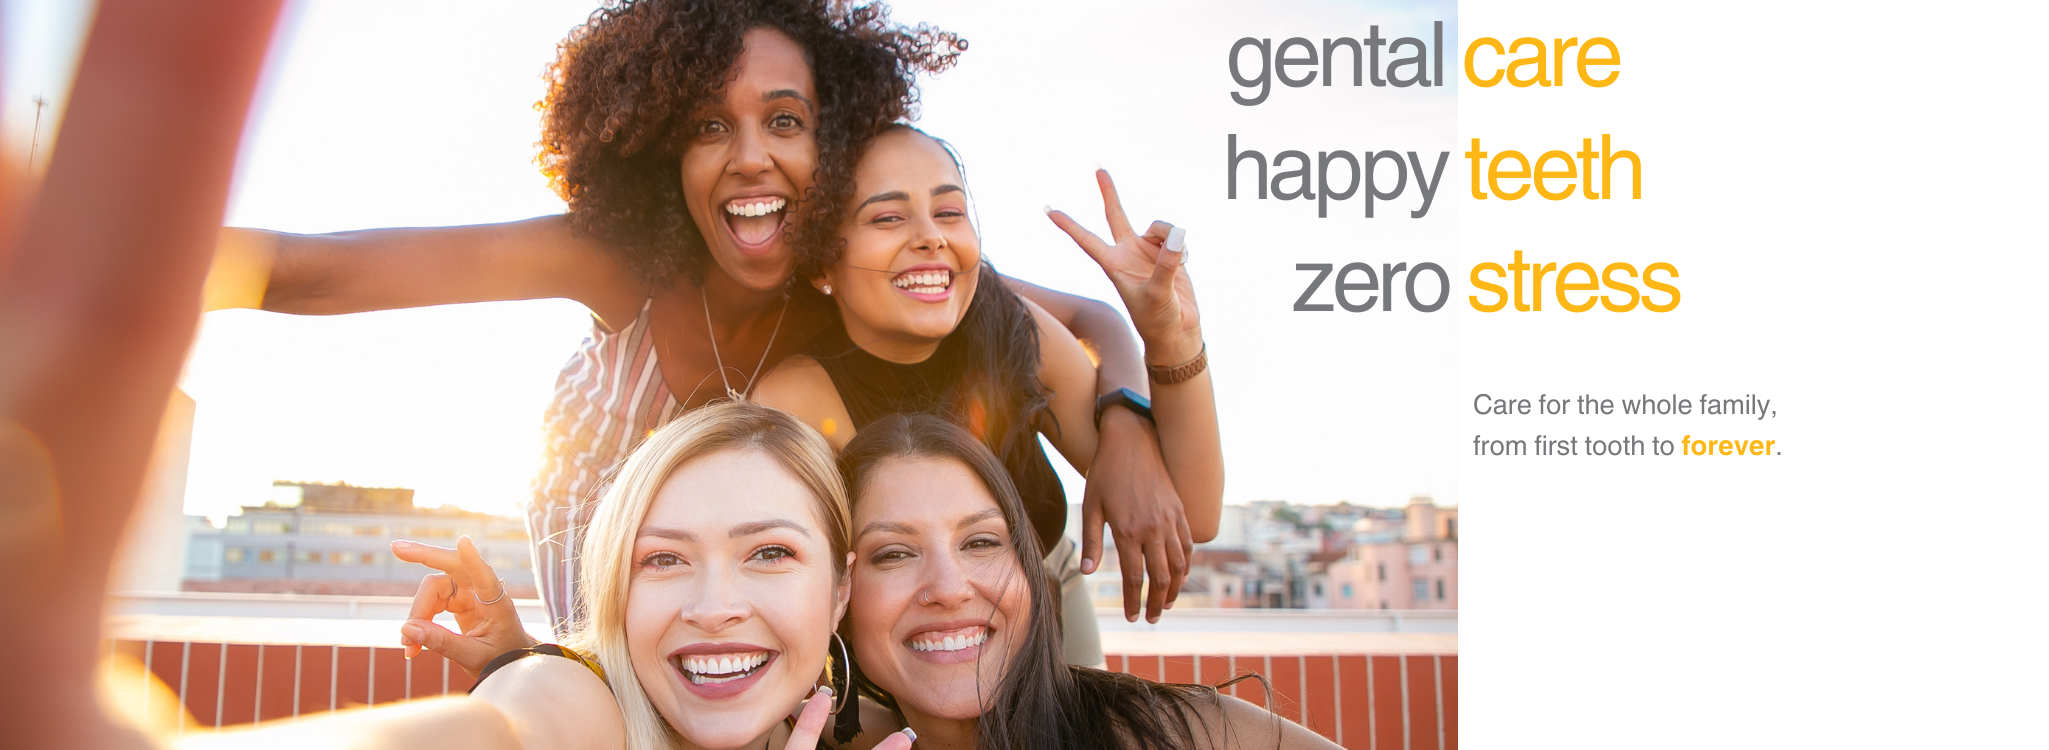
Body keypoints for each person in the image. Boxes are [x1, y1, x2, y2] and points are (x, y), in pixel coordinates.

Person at [208, 0, 1200, 650]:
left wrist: (1120, 421)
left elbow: (1083, 315)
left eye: (784, 120)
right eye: (707, 127)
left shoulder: (862, 272)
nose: (750, 158)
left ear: (841, 142)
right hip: (612, 588)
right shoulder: (622, 256)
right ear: (656, 152)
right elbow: (319, 273)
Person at [750, 126, 1224, 660]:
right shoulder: (793, 400)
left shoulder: (1010, 329)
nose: (932, 237)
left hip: (1045, 600)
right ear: (822, 265)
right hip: (902, 659)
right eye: (887, 217)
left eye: (950, 212)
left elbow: (1195, 514)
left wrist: (1170, 346)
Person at [832, 415, 1336, 750]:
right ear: (840, 602)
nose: (949, 586)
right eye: (893, 553)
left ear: (1031, 573)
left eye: (981, 543)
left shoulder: (1182, 736)